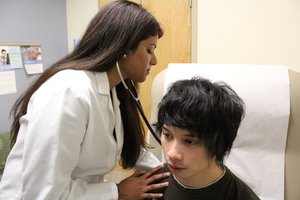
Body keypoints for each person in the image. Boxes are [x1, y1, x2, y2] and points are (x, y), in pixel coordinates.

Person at [0, 1, 170, 199]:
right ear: (124, 48)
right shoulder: (68, 92)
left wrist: (169, 170)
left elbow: (127, 146)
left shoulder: (114, 91)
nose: (154, 60)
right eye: (150, 49)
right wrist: (117, 191)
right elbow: (44, 194)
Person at [150, 77, 260, 200]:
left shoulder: (240, 196)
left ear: (219, 143)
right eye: (167, 135)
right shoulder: (148, 184)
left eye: (189, 141)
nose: (172, 154)